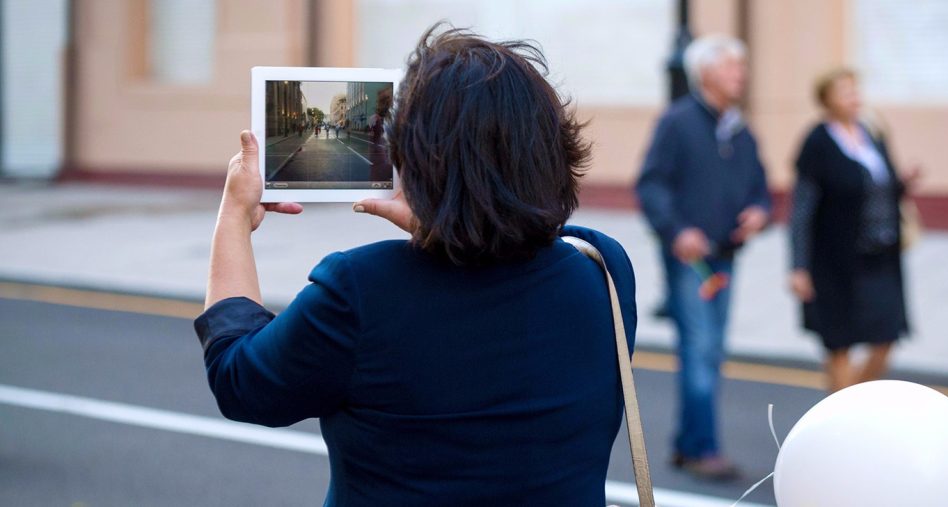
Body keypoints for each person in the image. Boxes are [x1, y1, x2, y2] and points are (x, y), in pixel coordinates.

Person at [194, 26, 636, 506]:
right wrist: (446, 222)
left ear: (415, 161)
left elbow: (240, 382)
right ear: (552, 149)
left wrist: (234, 217)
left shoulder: (360, 291)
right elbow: (518, 257)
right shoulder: (604, 269)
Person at [635, 34, 771, 481]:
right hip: (689, 260)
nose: (741, 75)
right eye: (733, 67)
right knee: (700, 350)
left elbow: (759, 186)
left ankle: (687, 445)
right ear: (708, 73)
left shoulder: (739, 127)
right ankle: (705, 449)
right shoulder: (677, 122)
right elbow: (651, 184)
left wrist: (759, 211)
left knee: (708, 354)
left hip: (726, 258)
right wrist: (677, 231)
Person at [789, 68, 918, 393]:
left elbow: (879, 188)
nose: (854, 97)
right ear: (826, 100)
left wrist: (902, 185)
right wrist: (798, 267)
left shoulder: (872, 133)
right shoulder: (817, 142)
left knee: (887, 336)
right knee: (839, 342)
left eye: (855, 90)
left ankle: (847, 403)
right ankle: (841, 419)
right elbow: (802, 210)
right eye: (844, 91)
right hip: (834, 259)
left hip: (881, 254)